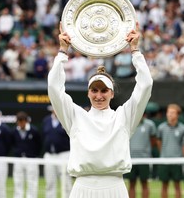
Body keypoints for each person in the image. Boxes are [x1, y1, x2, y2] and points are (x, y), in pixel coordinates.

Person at [47, 21, 153, 197]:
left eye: (104, 90)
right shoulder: (75, 116)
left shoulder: (124, 116)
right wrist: (62, 51)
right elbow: (53, 87)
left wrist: (135, 50)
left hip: (115, 188)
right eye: (94, 90)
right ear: (88, 93)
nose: (99, 95)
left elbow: (146, 84)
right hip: (82, 187)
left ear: (112, 94)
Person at [157, 103, 184, 198]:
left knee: (177, 186)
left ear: (177, 114)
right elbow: (159, 142)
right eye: (168, 112)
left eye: (172, 113)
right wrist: (163, 153)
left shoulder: (183, 129)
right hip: (164, 161)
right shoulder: (161, 127)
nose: (169, 114)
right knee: (164, 186)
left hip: (177, 161)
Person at [124, 109, 156, 198]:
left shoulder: (150, 125)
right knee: (131, 183)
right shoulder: (128, 124)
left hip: (144, 159)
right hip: (131, 159)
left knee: (144, 183)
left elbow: (153, 141)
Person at [42, 105, 72, 198]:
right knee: (49, 181)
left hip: (64, 154)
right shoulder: (46, 120)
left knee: (66, 181)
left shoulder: (66, 119)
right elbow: (43, 136)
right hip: (49, 155)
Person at [12, 111, 41, 198]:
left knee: (32, 182)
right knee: (18, 182)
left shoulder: (34, 131)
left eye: (22, 121)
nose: (20, 123)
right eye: (19, 121)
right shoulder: (14, 131)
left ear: (26, 121)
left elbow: (39, 145)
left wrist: (33, 154)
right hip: (18, 160)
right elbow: (12, 143)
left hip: (31, 160)